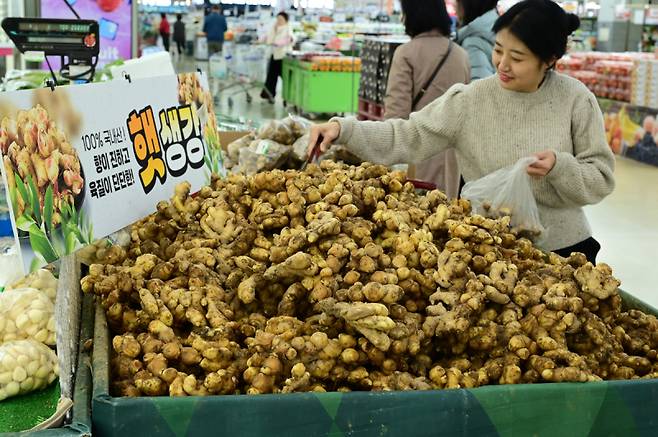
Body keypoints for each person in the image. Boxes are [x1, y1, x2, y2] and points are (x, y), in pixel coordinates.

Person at [308, 0, 615, 263]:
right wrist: (343, 129)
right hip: (487, 253)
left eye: (517, 58)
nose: (502, 65)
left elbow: (600, 178)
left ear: (549, 60)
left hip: (564, 253)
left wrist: (559, 167)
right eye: (498, 50)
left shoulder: (575, 99)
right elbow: (406, 135)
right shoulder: (470, 100)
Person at [384, 0, 470, 199]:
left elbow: (396, 114)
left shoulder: (406, 54)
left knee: (415, 215)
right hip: (452, 156)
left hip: (417, 152)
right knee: (445, 215)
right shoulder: (461, 55)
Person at [455, 0, 498, 81]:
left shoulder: (472, 43)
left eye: (458, 2)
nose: (455, 8)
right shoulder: (496, 29)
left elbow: (481, 89)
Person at [261, 12, 295, 103]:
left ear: (286, 20)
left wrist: (281, 42)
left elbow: (291, 38)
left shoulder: (288, 27)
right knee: (271, 76)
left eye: (281, 19)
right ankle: (269, 95)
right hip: (274, 55)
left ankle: (287, 97)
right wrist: (261, 39)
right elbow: (268, 37)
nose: (279, 21)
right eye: (278, 19)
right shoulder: (273, 27)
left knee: (286, 77)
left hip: (283, 56)